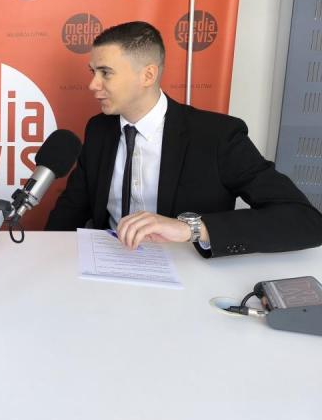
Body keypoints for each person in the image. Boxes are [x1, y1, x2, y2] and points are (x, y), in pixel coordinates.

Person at [46, 21, 322, 257]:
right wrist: (46, 259)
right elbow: (72, 209)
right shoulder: (98, 129)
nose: (93, 84)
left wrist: (191, 228)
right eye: (92, 72)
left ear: (148, 75)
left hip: (188, 272)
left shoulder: (218, 136)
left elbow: (305, 221)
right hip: (107, 262)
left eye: (105, 73)